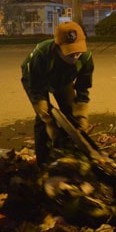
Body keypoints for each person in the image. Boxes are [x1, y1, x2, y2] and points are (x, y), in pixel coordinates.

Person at [21, 21, 94, 166]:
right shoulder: (41, 55)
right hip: (39, 81)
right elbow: (35, 89)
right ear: (57, 47)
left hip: (64, 81)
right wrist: (49, 121)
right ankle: (43, 163)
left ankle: (71, 156)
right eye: (70, 53)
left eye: (78, 52)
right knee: (43, 121)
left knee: (71, 115)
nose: (75, 56)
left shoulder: (85, 58)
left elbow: (83, 89)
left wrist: (81, 116)